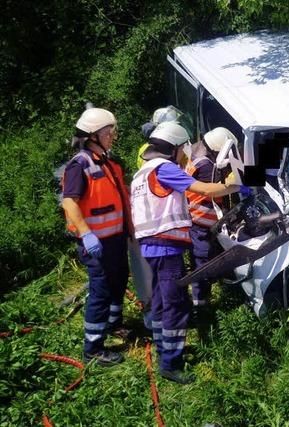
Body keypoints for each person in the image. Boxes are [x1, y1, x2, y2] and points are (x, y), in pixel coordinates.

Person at [131, 121, 239, 384]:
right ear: (175, 147)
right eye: (183, 149)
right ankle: (171, 364)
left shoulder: (141, 172)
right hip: (166, 246)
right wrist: (233, 183)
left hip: (150, 246)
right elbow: (202, 189)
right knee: (176, 304)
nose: (185, 155)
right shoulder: (164, 168)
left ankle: (163, 349)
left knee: (159, 301)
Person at [61, 107, 131, 366]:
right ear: (93, 135)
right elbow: (70, 202)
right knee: (100, 291)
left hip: (114, 239)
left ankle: (114, 324)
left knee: (118, 280)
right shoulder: (80, 164)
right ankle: (93, 348)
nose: (112, 135)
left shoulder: (107, 163)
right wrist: (87, 234)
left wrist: (128, 231)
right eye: (108, 131)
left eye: (112, 130)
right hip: (95, 242)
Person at [184, 128, 237, 310]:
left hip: (197, 221)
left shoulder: (196, 156)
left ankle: (208, 296)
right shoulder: (207, 166)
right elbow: (221, 186)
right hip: (201, 222)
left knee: (205, 259)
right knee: (203, 263)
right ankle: (201, 306)